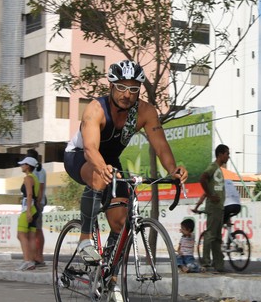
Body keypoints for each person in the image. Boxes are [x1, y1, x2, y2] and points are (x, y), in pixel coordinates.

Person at [64, 60, 188, 301]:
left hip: (111, 162)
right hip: (81, 157)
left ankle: (108, 278)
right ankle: (84, 240)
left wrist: (173, 170)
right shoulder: (95, 109)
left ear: (139, 90)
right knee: (99, 176)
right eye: (121, 87)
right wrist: (102, 168)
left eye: (133, 89)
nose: (126, 94)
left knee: (121, 223)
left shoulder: (145, 112)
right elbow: (90, 148)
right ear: (111, 86)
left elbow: (160, 145)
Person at [197, 144, 230, 273]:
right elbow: (202, 179)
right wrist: (210, 195)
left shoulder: (219, 169)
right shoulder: (212, 167)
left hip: (219, 207)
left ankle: (219, 265)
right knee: (210, 234)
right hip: (214, 207)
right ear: (220, 154)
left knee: (217, 237)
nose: (228, 156)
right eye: (227, 154)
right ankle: (205, 262)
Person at [16, 156, 40, 271]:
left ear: (28, 166)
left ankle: (27, 261)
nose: (21, 166)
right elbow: (38, 196)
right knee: (31, 236)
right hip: (35, 208)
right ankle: (31, 261)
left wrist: (29, 211)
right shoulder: (35, 178)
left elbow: (29, 194)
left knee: (20, 235)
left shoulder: (28, 178)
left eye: (23, 164)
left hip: (28, 209)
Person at [27, 149, 47, 267]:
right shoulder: (35, 170)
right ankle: (35, 256)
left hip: (37, 203)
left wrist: (37, 203)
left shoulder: (40, 171)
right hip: (35, 203)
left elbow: (40, 188)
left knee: (37, 230)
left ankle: (39, 257)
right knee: (35, 230)